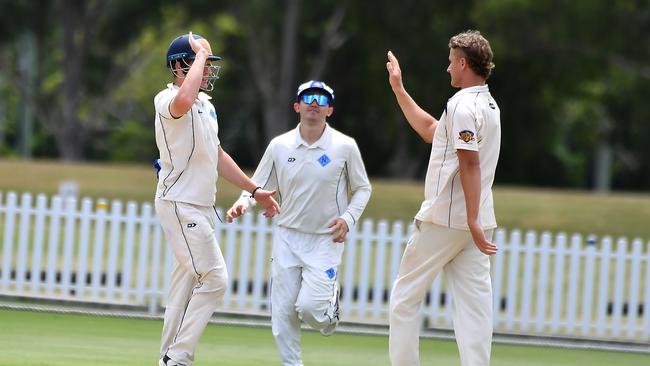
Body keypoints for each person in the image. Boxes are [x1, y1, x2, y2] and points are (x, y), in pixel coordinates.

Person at [154, 32, 280, 366]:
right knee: (215, 277)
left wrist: (254, 189)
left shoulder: (207, 108)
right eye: (202, 63)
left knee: (182, 290)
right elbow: (182, 102)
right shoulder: (165, 100)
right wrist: (201, 52)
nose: (208, 69)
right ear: (180, 65)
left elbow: (218, 154)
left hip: (201, 206)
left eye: (208, 64)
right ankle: (178, 358)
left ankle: (167, 359)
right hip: (179, 203)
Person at [226, 80, 372, 366]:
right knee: (283, 313)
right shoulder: (280, 146)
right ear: (297, 106)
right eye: (307, 98)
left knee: (312, 311)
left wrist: (348, 218)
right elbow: (258, 183)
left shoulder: (345, 147)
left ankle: (329, 311)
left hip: (325, 239)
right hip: (287, 236)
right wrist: (245, 201)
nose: (314, 103)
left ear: (329, 109)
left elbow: (363, 188)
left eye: (321, 99)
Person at [386, 30, 501, 366]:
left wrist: (472, 220)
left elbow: (469, 162)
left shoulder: (463, 104)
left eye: (451, 62)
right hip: (474, 224)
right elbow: (430, 130)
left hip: (447, 219)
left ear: (463, 63)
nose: (447, 68)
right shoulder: (488, 104)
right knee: (474, 309)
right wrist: (399, 89)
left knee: (404, 300)